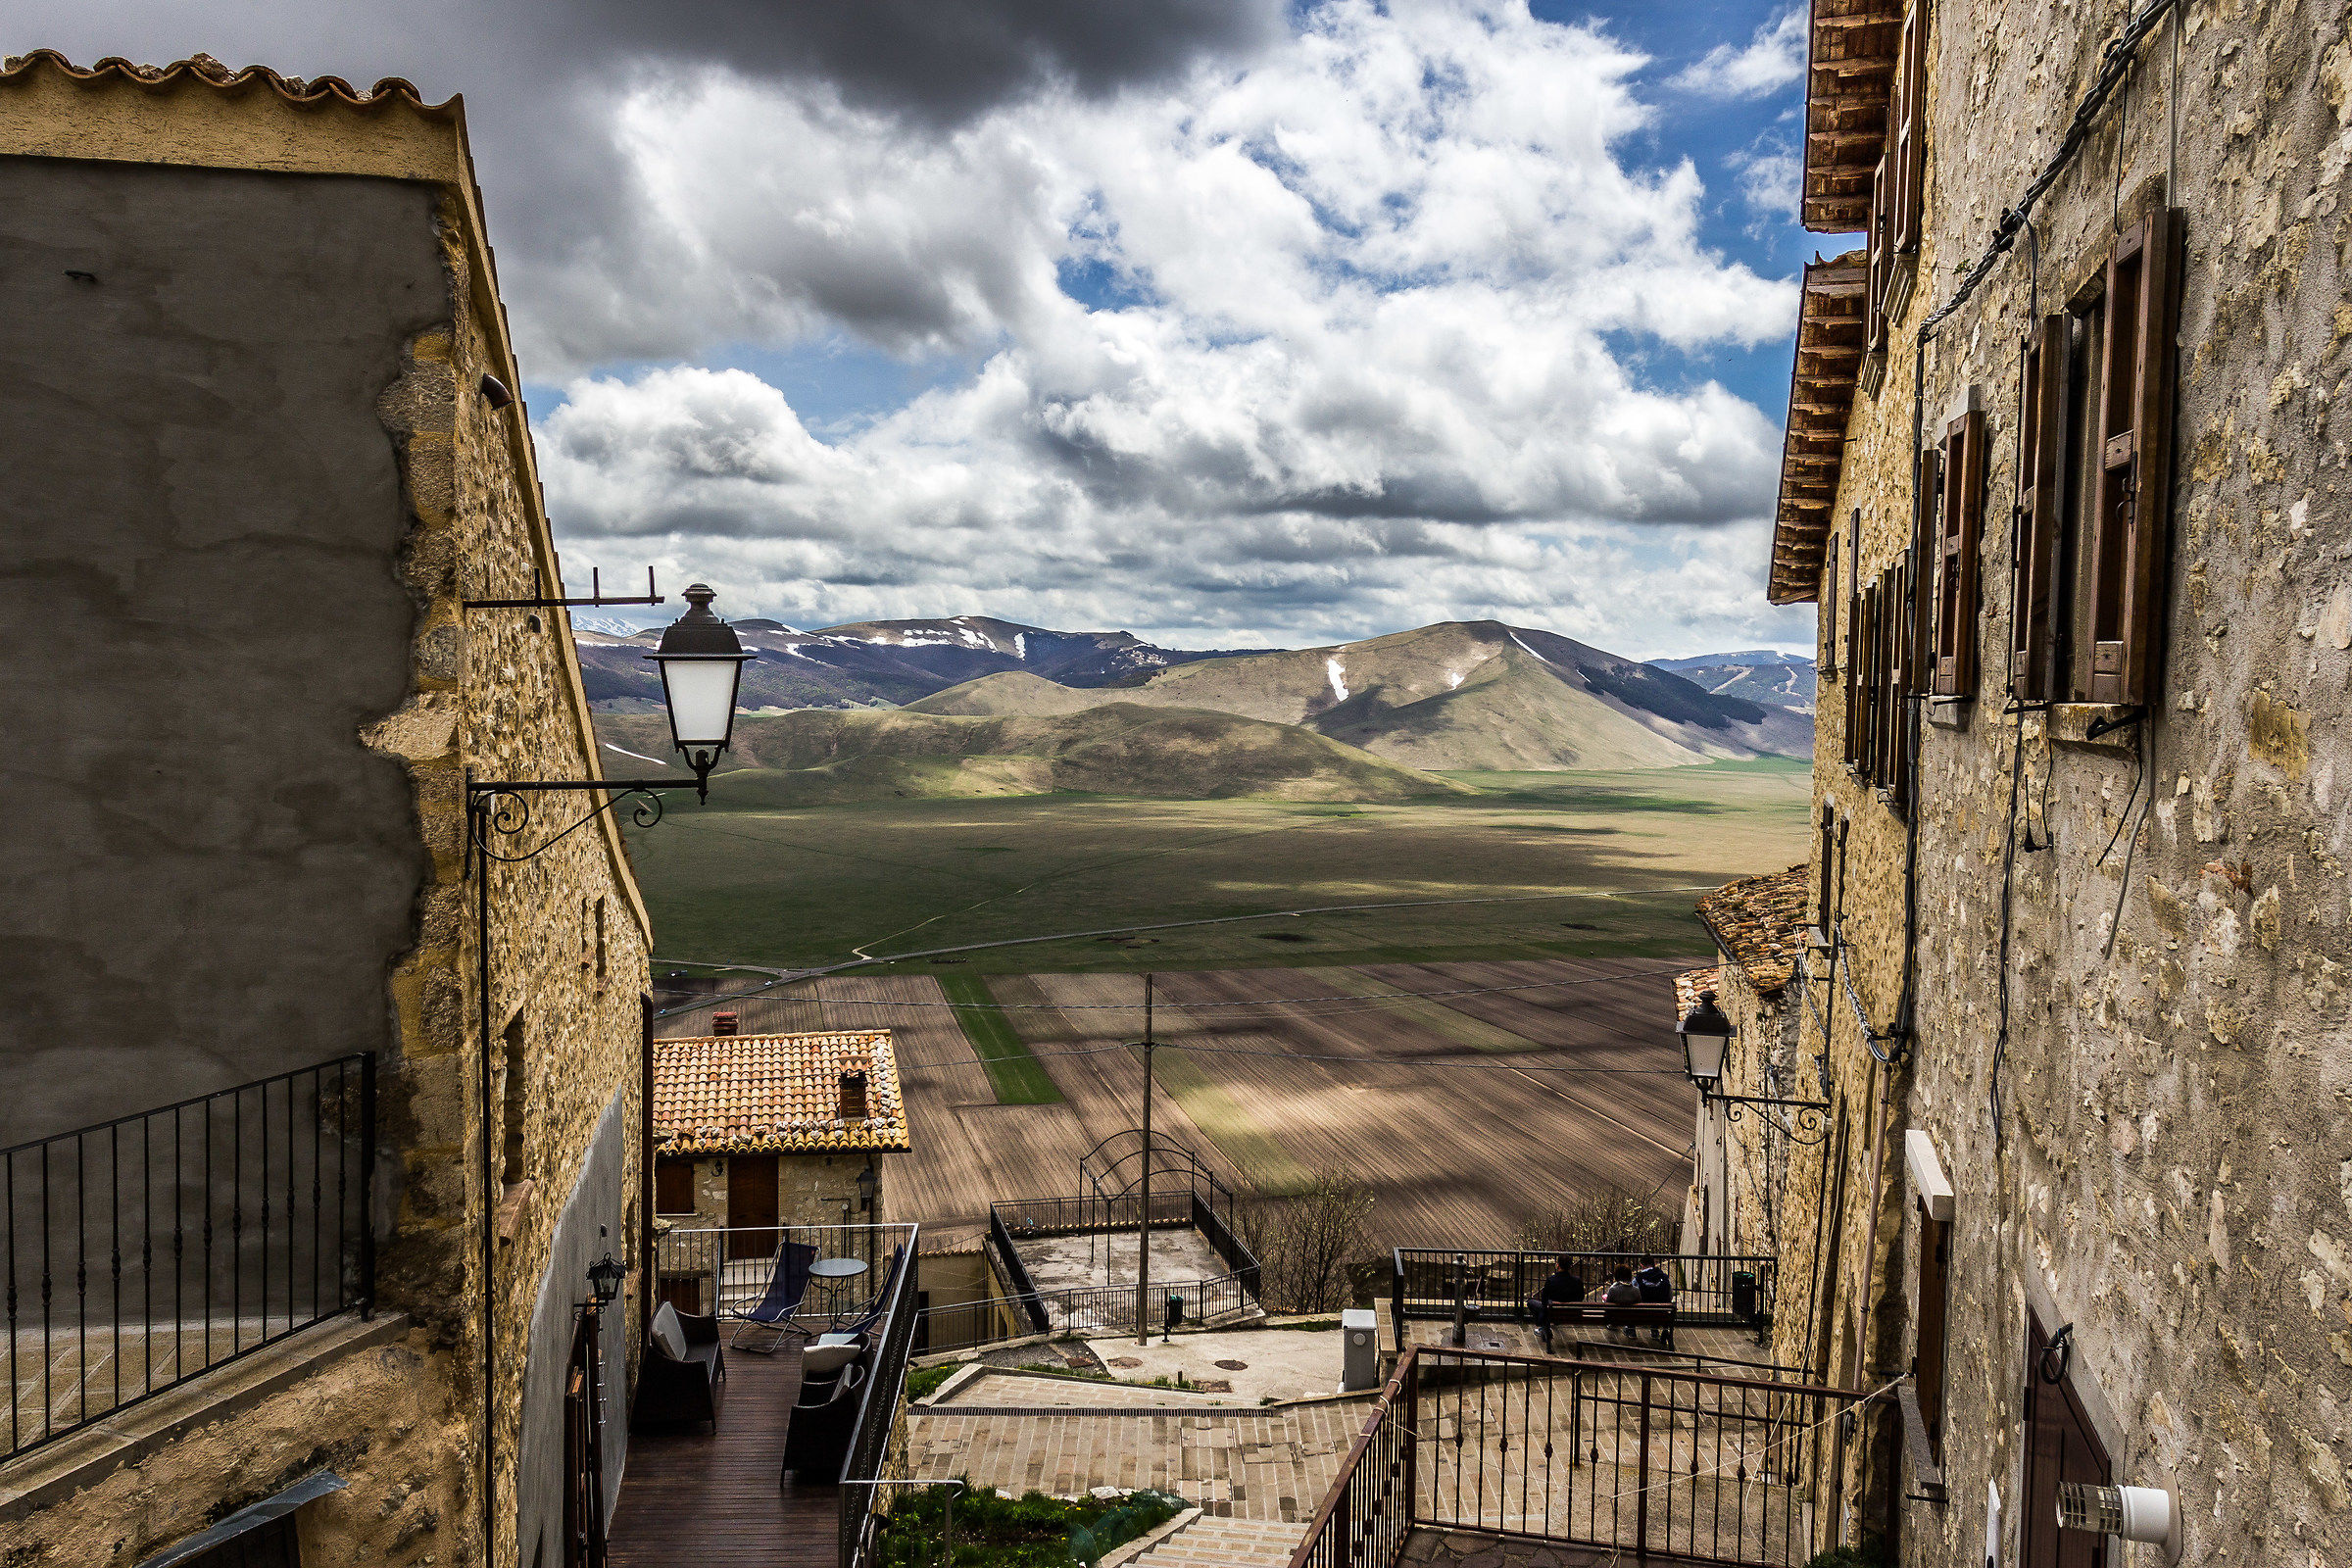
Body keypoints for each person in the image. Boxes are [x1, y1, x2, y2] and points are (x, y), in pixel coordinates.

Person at [1527, 1254, 1587, 1351]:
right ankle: (1544, 1327)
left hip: (1553, 1313)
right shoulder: (1577, 1281)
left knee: (1531, 1302)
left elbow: (1544, 1300)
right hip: (1572, 1314)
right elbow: (1581, 1297)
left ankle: (1543, 1326)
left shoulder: (1551, 1280)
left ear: (1557, 1265)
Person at [1634, 1256, 1674, 1345]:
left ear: (1641, 1265)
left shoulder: (1638, 1278)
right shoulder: (1663, 1277)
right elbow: (1670, 1295)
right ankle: (1655, 1330)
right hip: (1661, 1312)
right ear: (1654, 1264)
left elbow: (1632, 1294)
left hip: (1641, 1313)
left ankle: (1631, 1330)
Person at [1602, 1266, 1642, 1342]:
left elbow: (1607, 1306)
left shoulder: (1613, 1289)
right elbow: (1639, 1304)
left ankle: (1613, 1325)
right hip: (1632, 1318)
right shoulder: (1636, 1290)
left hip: (1615, 1318)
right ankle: (1631, 1330)